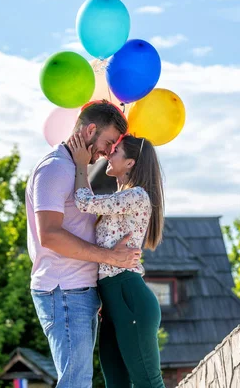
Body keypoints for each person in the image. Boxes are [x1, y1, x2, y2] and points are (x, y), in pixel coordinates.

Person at [26, 100, 142, 388]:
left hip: (78, 292)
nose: (108, 152)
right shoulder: (55, 169)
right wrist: (110, 257)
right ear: (90, 129)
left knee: (79, 381)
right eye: (108, 142)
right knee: (76, 383)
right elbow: (50, 235)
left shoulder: (74, 168)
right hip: (64, 292)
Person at [67, 131, 166, 388]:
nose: (109, 154)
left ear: (131, 163)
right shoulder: (119, 200)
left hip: (128, 295)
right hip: (112, 301)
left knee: (148, 383)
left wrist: (80, 163)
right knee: (116, 383)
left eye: (116, 152)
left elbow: (84, 202)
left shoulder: (137, 196)